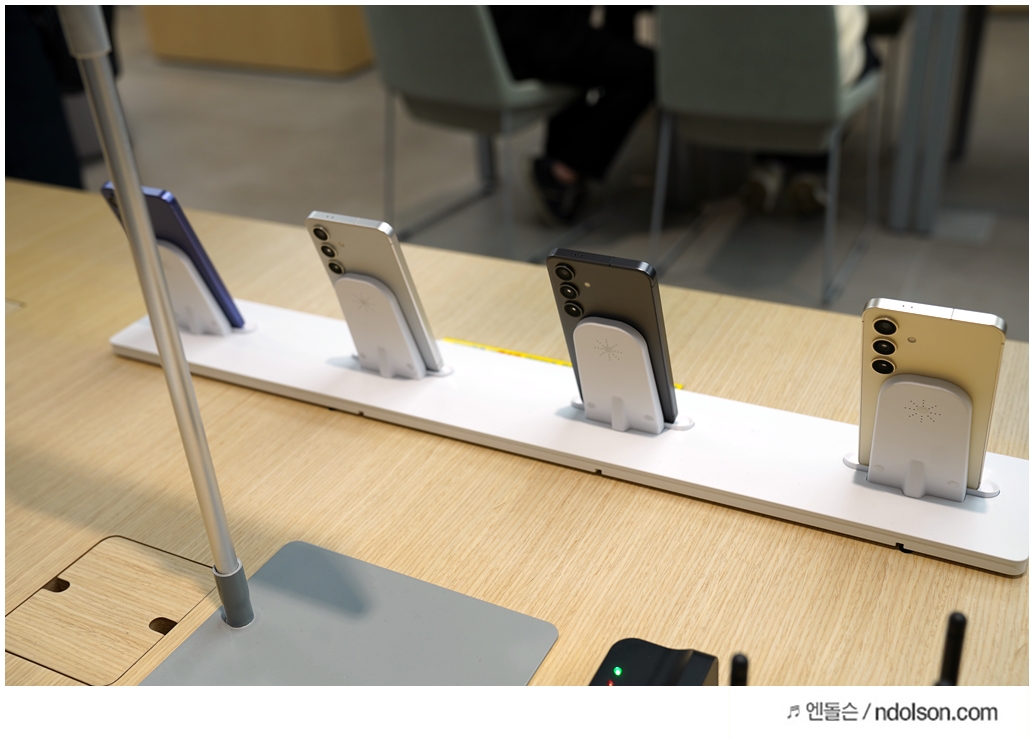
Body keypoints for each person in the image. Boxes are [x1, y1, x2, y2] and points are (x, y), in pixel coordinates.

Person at [490, 7, 654, 224]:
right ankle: (561, 173)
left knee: (608, 46)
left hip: (492, 43)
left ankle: (560, 164)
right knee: (647, 70)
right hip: (532, 41)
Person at [743, 5, 879, 215]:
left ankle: (770, 166)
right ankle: (808, 169)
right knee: (855, 58)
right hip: (821, 81)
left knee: (778, 56)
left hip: (738, 83)